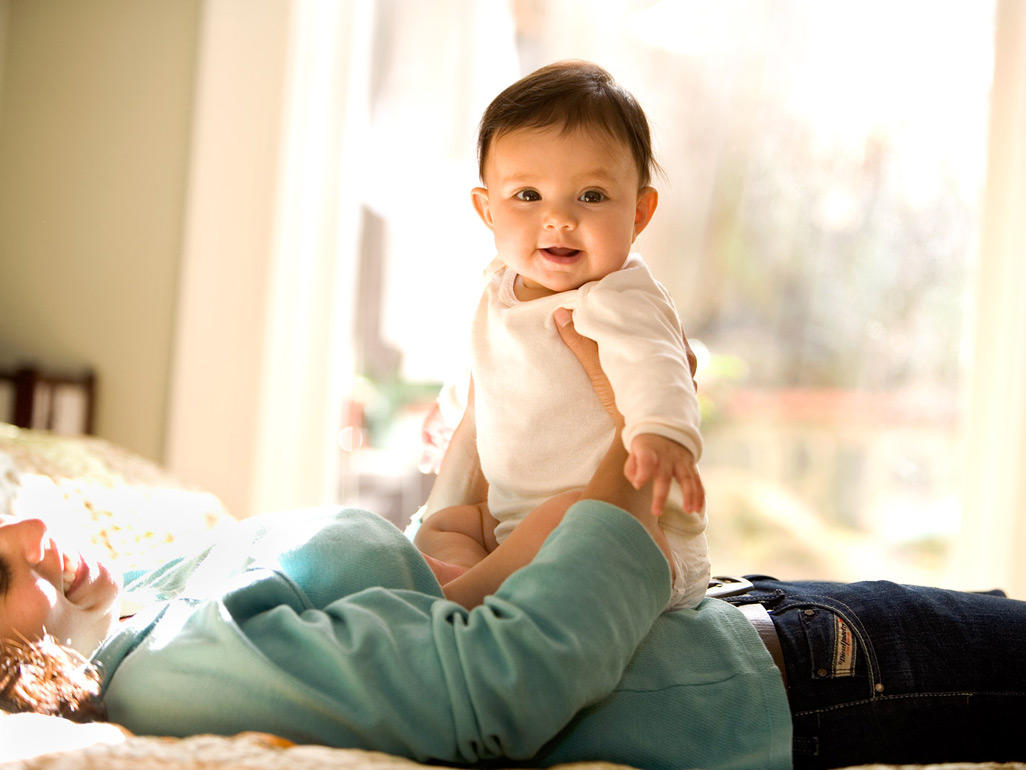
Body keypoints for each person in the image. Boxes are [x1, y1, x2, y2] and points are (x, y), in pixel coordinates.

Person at [2, 316, 1026, 770]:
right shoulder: (175, 675)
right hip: (766, 674)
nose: (30, 529)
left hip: (741, 618)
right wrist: (632, 453)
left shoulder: (147, 595)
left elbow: (425, 603)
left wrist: (479, 450)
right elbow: (497, 681)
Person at [413, 60, 709, 611]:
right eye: (528, 195)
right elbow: (492, 374)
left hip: (628, 536)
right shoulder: (498, 289)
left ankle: (466, 598)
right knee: (448, 524)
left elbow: (661, 366)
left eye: (591, 196)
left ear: (640, 211)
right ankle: (474, 576)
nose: (558, 219)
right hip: (508, 519)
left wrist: (662, 433)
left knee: (560, 520)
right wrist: (450, 408)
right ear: (487, 209)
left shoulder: (619, 297)